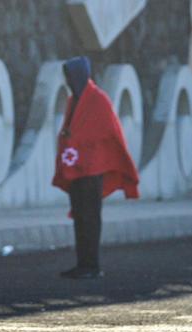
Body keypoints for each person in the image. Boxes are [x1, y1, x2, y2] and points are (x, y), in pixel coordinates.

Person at [52, 56, 139, 279]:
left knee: (90, 217)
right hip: (78, 170)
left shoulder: (98, 100)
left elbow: (108, 133)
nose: (69, 81)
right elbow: (71, 130)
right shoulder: (75, 101)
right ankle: (83, 263)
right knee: (80, 217)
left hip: (93, 170)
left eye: (70, 77)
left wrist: (76, 139)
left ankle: (91, 265)